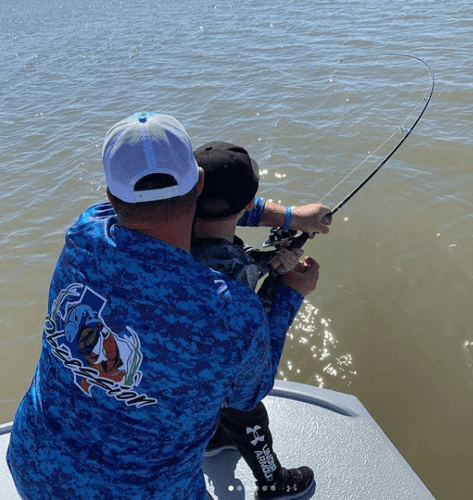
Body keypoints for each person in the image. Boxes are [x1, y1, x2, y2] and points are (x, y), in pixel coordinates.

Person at [7, 112, 321, 500]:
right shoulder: (232, 311)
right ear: (199, 184)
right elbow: (249, 393)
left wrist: (289, 215)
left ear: (109, 196)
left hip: (31, 465)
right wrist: (291, 292)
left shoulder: (84, 232)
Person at [191, 142, 330, 500]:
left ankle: (214, 440)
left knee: (219, 411)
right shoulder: (233, 284)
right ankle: (273, 481)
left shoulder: (171, 224)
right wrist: (288, 288)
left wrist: (289, 224)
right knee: (249, 416)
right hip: (229, 380)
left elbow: (224, 231)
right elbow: (253, 371)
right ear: (242, 206)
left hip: (191, 377)